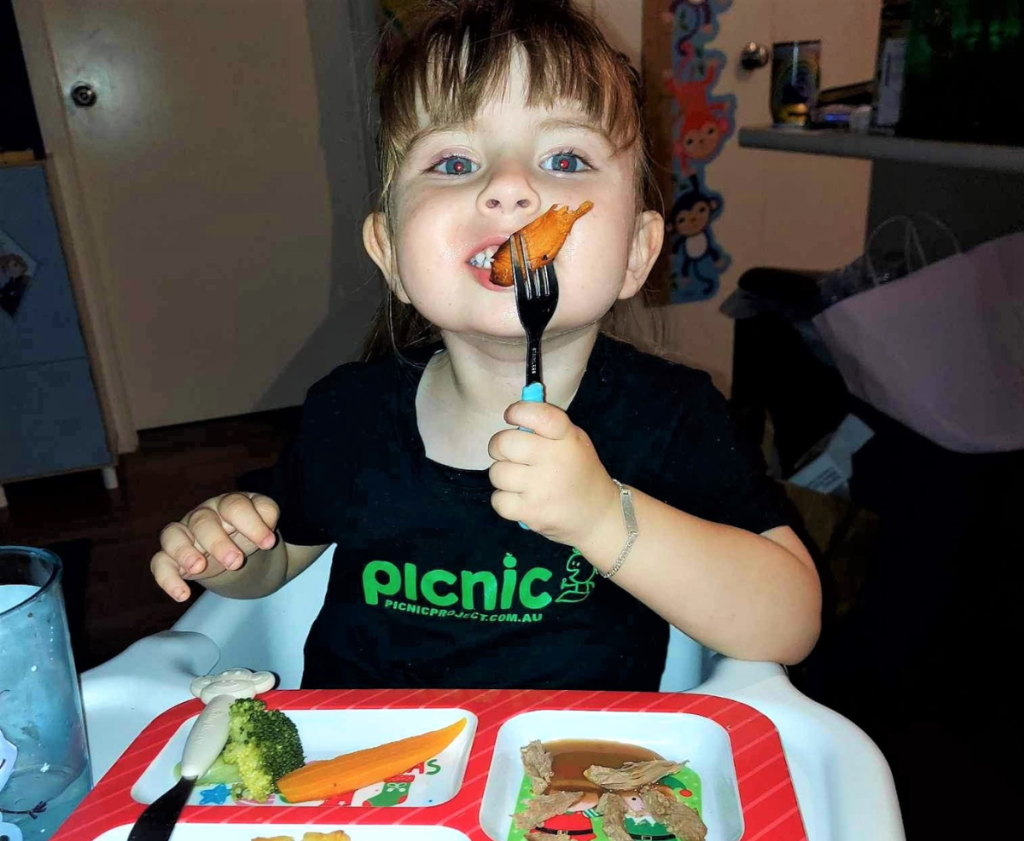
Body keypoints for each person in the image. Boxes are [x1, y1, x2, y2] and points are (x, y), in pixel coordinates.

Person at [149, 0, 820, 692]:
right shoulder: (347, 413)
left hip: (567, 784)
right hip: (360, 779)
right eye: (453, 161)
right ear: (390, 254)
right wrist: (232, 556)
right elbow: (280, 559)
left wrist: (603, 518)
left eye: (564, 157)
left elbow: (790, 618)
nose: (507, 187)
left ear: (637, 253)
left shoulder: (671, 419)